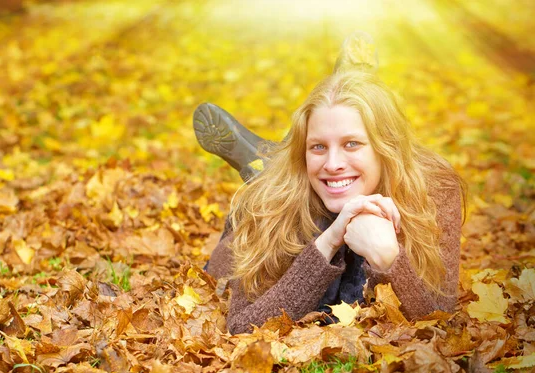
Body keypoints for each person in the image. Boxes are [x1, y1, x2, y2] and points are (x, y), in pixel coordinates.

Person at [194, 34, 465, 335]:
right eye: (318, 147)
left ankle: (271, 156)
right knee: (272, 185)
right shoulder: (272, 201)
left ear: (385, 148)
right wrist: (326, 243)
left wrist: (388, 259)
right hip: (287, 192)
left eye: (352, 144)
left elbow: (442, 326)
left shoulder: (433, 188)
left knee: (314, 166)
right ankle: (269, 165)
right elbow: (242, 327)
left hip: (319, 181)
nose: (333, 162)